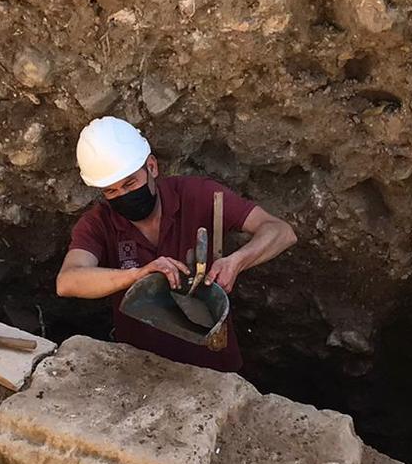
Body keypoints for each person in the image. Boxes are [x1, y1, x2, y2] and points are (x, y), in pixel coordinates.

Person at [56, 116, 296, 373]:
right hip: (141, 371)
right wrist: (137, 275)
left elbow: (281, 231)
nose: (124, 196)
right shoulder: (99, 223)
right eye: (111, 191)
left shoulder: (197, 195)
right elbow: (68, 281)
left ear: (151, 167)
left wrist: (237, 261)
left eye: (130, 183)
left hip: (212, 368)